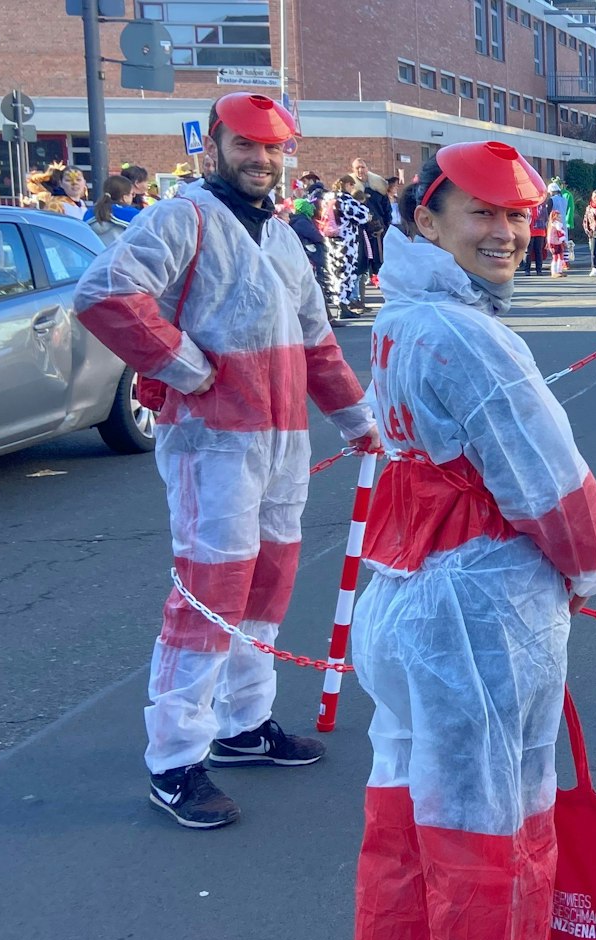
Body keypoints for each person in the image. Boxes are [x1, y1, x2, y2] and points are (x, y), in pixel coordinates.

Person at [346, 140, 596, 940]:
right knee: (485, 832)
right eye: (481, 215)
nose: (504, 232)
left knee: (404, 815)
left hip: (403, 591)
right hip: (476, 613)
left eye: (515, 215)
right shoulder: (472, 340)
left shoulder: (404, 315)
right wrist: (587, 571)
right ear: (428, 217)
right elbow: (554, 488)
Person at [74, 92, 376, 829]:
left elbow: (316, 345)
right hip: (212, 443)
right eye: (246, 144)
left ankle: (245, 723)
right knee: (211, 593)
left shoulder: (281, 237)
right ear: (214, 144)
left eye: (273, 148)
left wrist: (359, 422)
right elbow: (105, 293)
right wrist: (184, 365)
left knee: (267, 588)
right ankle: (174, 759)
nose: (261, 159)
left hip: (281, 443)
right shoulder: (184, 217)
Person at [287, 197, 335, 317]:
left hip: (307, 257)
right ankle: (326, 318)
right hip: (310, 257)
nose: (312, 208)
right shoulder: (302, 222)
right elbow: (316, 236)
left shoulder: (300, 220)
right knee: (317, 288)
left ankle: (327, 317)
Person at [334, 174, 373, 315]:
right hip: (347, 240)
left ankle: (342, 305)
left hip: (334, 240)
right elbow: (362, 215)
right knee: (346, 272)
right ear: (346, 184)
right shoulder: (345, 199)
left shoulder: (331, 198)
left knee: (338, 271)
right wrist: (366, 216)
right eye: (351, 185)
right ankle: (343, 306)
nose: (352, 188)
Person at [88, 175, 138, 244]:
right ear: (124, 197)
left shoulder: (90, 213)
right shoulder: (133, 215)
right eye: (132, 194)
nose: (133, 197)